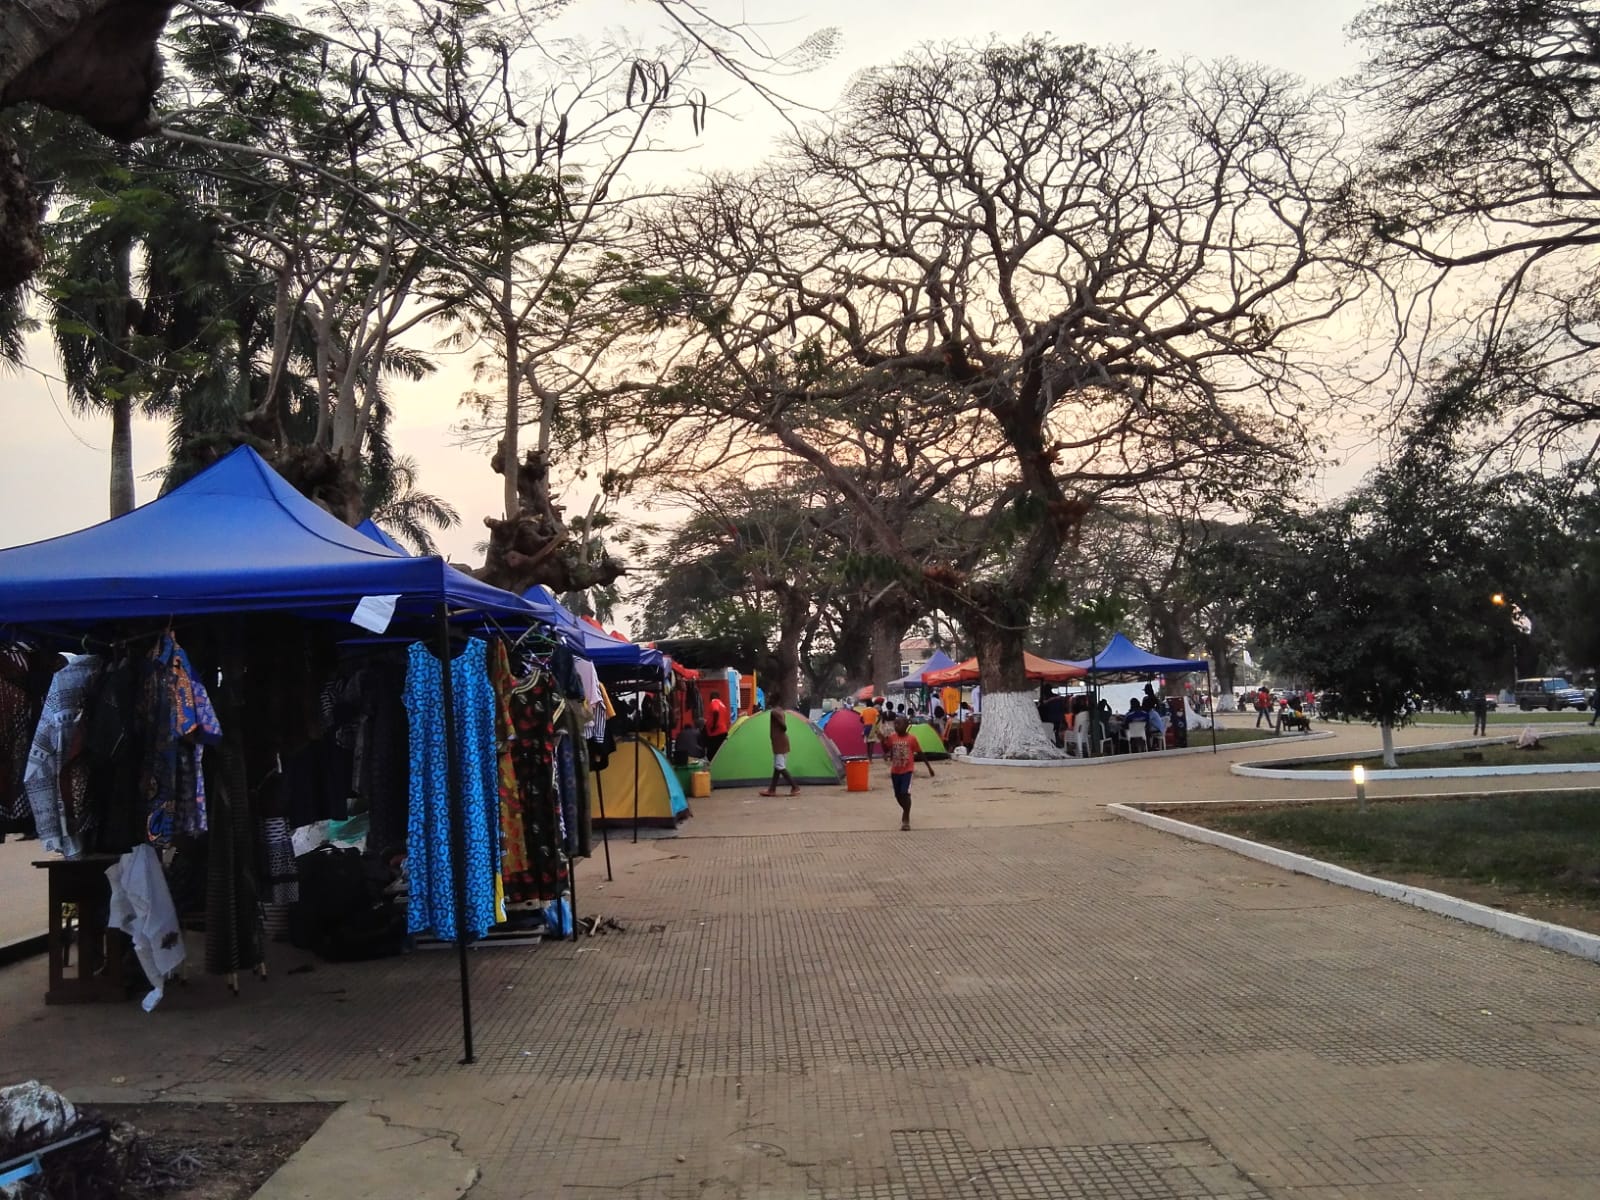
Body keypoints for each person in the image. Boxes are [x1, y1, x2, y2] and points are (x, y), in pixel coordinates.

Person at [882, 715, 919, 830]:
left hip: (907, 771)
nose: (896, 726)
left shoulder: (912, 739)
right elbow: (887, 749)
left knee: (904, 793)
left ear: (906, 725)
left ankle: (906, 817)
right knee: (898, 795)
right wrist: (883, 740)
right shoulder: (892, 738)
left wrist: (929, 767)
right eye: (895, 724)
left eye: (899, 724)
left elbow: (920, 752)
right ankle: (905, 809)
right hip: (895, 771)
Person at [759, 703, 800, 796]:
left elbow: (783, 726)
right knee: (777, 767)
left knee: (780, 766)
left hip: (779, 742)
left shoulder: (774, 712)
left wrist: (782, 727)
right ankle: (772, 789)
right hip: (782, 741)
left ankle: (795, 787)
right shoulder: (781, 711)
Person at [706, 693, 730, 759]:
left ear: (711, 697)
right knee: (720, 753)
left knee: (712, 755)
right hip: (723, 731)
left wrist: (714, 725)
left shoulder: (714, 701)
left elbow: (715, 711)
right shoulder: (722, 705)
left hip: (716, 733)